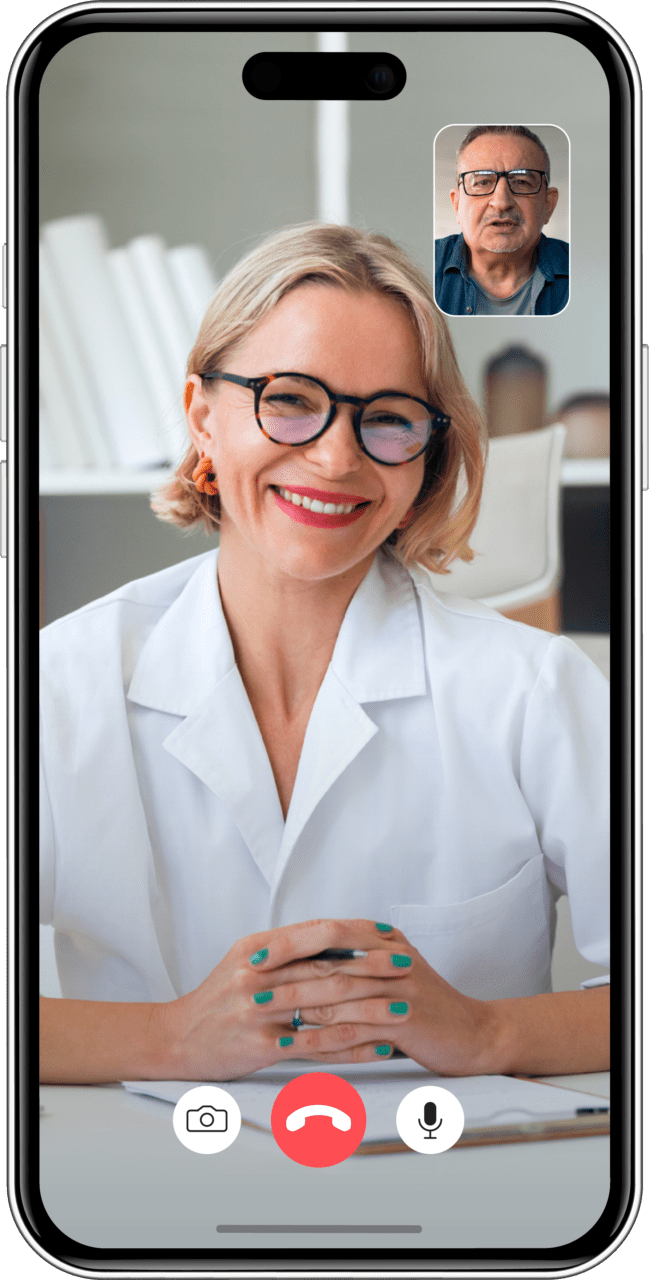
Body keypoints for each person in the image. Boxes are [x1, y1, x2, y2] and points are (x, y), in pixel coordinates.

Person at [40, 224, 608, 1085]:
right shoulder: (57, 685)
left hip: (455, 1189)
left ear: (428, 455)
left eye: (387, 419)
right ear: (202, 416)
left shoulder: (532, 689)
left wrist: (489, 1033)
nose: (336, 457)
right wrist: (169, 1039)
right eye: (290, 398)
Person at [435, 125, 569, 315]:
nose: (501, 202)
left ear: (548, 204)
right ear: (457, 205)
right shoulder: (419, 269)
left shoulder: (587, 274)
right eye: (482, 182)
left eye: (521, 182)